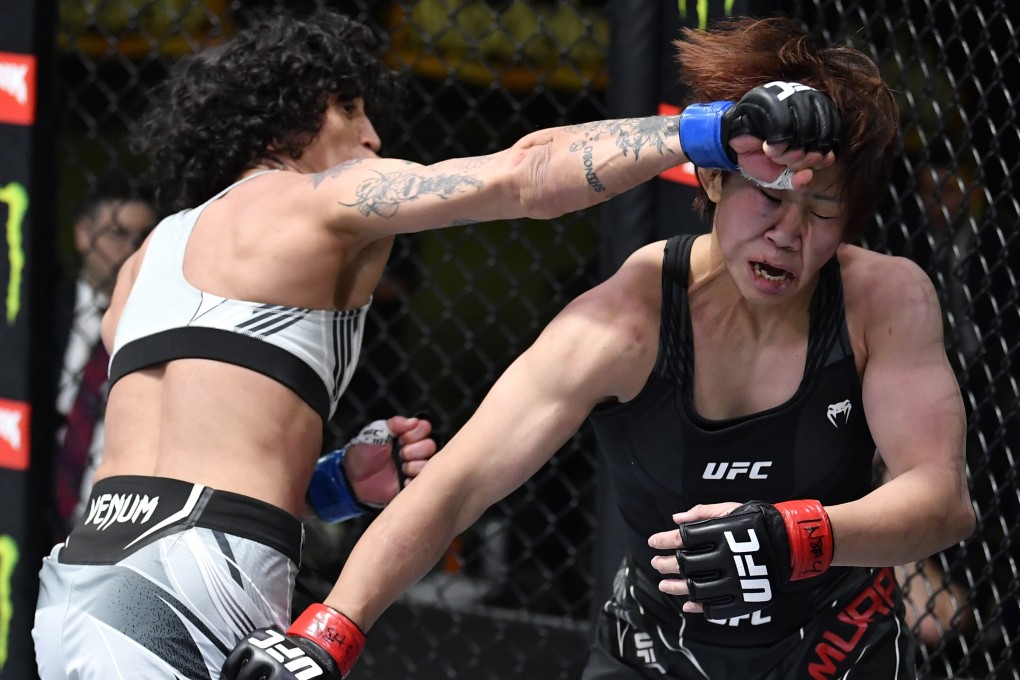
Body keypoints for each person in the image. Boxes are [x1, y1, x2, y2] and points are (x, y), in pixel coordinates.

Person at [221, 17, 976, 680]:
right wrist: (330, 631)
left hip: (835, 654)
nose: (788, 230)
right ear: (713, 181)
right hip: (655, 653)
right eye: (768, 195)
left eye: (821, 208)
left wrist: (799, 534)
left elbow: (942, 501)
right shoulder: (630, 318)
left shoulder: (884, 299)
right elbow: (458, 483)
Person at [31, 7, 699, 678]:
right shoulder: (322, 200)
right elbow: (527, 175)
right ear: (287, 113)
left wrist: (330, 486)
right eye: (350, 108)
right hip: (191, 592)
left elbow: (178, 463)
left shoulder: (142, 262)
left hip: (80, 584)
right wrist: (705, 130)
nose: (373, 136)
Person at [52, 172, 156, 534]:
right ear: (84, 234)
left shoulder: (158, 333)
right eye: (117, 233)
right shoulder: (40, 318)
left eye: (142, 238)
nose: (130, 250)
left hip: (110, 530)